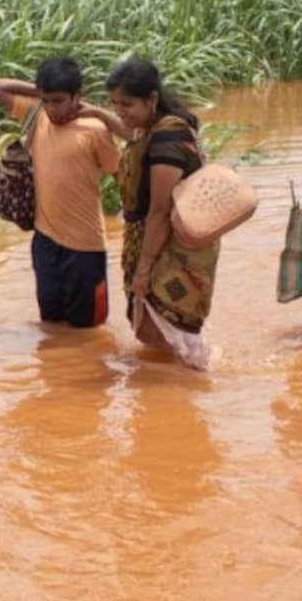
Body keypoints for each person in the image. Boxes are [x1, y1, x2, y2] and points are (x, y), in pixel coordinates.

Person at [91, 57, 223, 369]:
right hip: (157, 240)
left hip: (167, 245)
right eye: (113, 104)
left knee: (163, 329)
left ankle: (189, 387)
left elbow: (160, 211)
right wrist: (96, 113)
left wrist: (144, 270)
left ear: (151, 99)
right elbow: (131, 133)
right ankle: (185, 380)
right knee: (158, 329)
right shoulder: (154, 128)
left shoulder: (167, 138)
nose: (120, 112)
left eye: (126, 104)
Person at [0, 58, 122, 328]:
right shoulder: (37, 117)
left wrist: (96, 112)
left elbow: (120, 176)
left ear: (77, 97)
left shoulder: (95, 131)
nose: (51, 108)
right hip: (45, 242)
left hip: (85, 248)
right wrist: (40, 90)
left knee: (89, 331)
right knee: (51, 325)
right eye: (46, 100)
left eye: (58, 101)